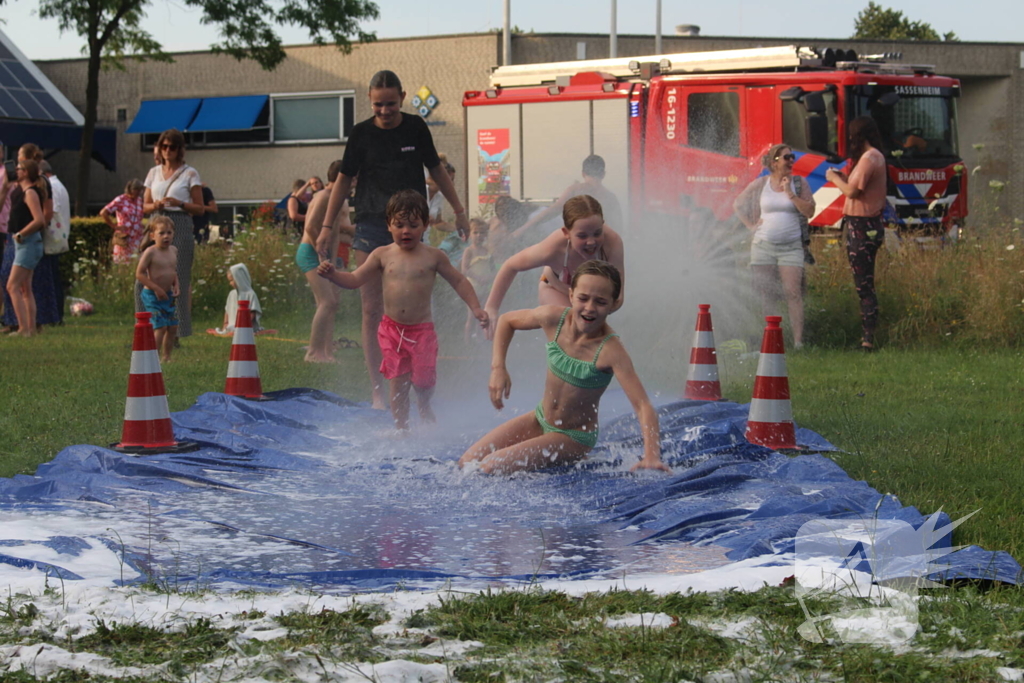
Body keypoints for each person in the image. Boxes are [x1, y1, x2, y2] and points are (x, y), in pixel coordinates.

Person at [316, 69, 471, 409]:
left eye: (390, 104)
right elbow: (343, 181)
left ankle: (420, 381)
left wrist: (459, 210)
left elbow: (437, 171)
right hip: (372, 223)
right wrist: (328, 226)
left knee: (414, 302)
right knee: (372, 309)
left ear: (402, 97)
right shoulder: (360, 135)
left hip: (411, 223)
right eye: (377, 106)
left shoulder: (416, 127)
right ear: (370, 103)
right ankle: (379, 387)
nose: (384, 111)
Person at [459, 261, 669, 475]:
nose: (589, 307)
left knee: (490, 466)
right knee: (467, 462)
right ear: (571, 295)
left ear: (614, 304)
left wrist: (651, 455)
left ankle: (571, 452)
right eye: (583, 298)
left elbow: (643, 405)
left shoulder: (610, 351)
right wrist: (498, 368)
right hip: (540, 419)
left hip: (573, 436)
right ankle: (543, 446)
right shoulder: (554, 319)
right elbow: (506, 321)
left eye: (600, 302)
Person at [317, 190, 488, 430]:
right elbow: (355, 279)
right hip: (392, 331)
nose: (405, 230)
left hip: (422, 332)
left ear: (425, 226)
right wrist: (333, 275)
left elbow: (459, 281)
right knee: (397, 383)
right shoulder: (382, 255)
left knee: (424, 381)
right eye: (399, 225)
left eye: (413, 225)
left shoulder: (434, 256)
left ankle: (425, 404)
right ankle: (401, 429)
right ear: (389, 226)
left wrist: (476, 307)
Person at [483, 194, 625, 339]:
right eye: (582, 236)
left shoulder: (612, 244)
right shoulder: (553, 248)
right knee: (572, 329)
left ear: (603, 225)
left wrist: (600, 308)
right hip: (554, 288)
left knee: (592, 336)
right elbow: (510, 266)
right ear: (566, 233)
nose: (591, 242)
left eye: (597, 233)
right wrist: (492, 307)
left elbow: (618, 296)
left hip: (589, 299)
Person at [734, 144, 815, 349]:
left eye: (792, 157)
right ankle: (770, 340)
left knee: (793, 293)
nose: (791, 161)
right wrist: (750, 226)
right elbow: (737, 204)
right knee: (766, 293)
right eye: (786, 157)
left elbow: (810, 211)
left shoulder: (798, 183)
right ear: (774, 162)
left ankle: (798, 342)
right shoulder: (762, 183)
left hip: (791, 247)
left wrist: (790, 194)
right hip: (763, 246)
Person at [826, 116, 888, 351]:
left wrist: (833, 179)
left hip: (862, 226)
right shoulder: (874, 157)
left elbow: (852, 192)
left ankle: (867, 339)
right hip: (864, 224)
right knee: (864, 283)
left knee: (864, 285)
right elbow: (858, 188)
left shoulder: (869, 158)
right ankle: (867, 335)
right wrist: (843, 178)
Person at [140, 129, 203, 339]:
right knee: (146, 274)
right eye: (164, 146)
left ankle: (177, 331)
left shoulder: (190, 173)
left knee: (179, 277)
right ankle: (146, 328)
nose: (168, 151)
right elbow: (144, 205)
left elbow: (200, 208)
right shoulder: (153, 172)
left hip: (180, 222)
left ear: (180, 150)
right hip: (157, 222)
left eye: (172, 147)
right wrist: (154, 205)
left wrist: (180, 203)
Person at [296, 159, 355, 362]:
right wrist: (322, 256)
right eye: (352, 178)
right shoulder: (323, 197)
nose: (355, 182)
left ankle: (327, 352)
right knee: (326, 301)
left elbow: (335, 232)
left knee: (333, 302)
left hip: (325, 254)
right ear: (342, 178)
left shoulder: (337, 199)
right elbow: (311, 228)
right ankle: (313, 352)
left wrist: (335, 259)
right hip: (310, 252)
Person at [2, 144, 56, 333]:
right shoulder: (20, 189)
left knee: (12, 286)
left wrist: (21, 234)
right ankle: (30, 328)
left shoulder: (30, 192)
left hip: (28, 243)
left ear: (25, 172)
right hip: (24, 244)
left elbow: (39, 219)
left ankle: (24, 328)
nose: (15, 170)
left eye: (18, 168)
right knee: (25, 288)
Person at [508, 154, 625, 242]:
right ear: (603, 174)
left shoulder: (576, 189)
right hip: (601, 246)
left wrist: (523, 229)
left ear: (583, 173)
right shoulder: (611, 198)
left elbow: (552, 210)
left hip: (578, 246)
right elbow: (619, 228)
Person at [136, 216, 179, 363]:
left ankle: (166, 357)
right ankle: (152, 359)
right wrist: (156, 289)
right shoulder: (151, 252)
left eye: (169, 232)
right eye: (161, 233)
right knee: (160, 327)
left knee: (172, 327)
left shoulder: (173, 250)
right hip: (152, 295)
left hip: (168, 295)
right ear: (153, 235)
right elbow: (139, 274)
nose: (166, 236)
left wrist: (176, 286)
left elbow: (173, 271)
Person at [39, 161, 70, 325]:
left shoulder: (52, 186)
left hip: (52, 239)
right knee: (54, 277)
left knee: (51, 278)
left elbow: (51, 211)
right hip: (58, 238)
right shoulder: (58, 185)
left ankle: (55, 315)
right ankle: (55, 314)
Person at [461, 218, 497, 340]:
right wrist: (478, 278)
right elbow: (465, 269)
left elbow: (493, 268)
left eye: (482, 233)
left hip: (485, 286)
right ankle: (467, 342)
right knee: (471, 316)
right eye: (475, 232)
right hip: (473, 287)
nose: (479, 236)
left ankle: (479, 339)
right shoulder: (469, 250)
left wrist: (491, 277)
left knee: (483, 314)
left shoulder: (487, 250)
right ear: (470, 234)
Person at [101, 179, 146, 264]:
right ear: (130, 189)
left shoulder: (139, 200)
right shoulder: (121, 199)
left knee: (137, 263)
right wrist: (114, 226)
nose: (138, 192)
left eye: (140, 190)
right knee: (122, 262)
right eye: (136, 190)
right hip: (124, 236)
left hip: (137, 237)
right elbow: (104, 212)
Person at [217, 263, 262, 334]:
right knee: (231, 328)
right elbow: (227, 310)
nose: (230, 283)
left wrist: (244, 325)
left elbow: (253, 311)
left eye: (232, 280)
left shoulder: (250, 294)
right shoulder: (232, 294)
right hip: (232, 325)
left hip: (246, 327)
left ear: (239, 278)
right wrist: (225, 323)